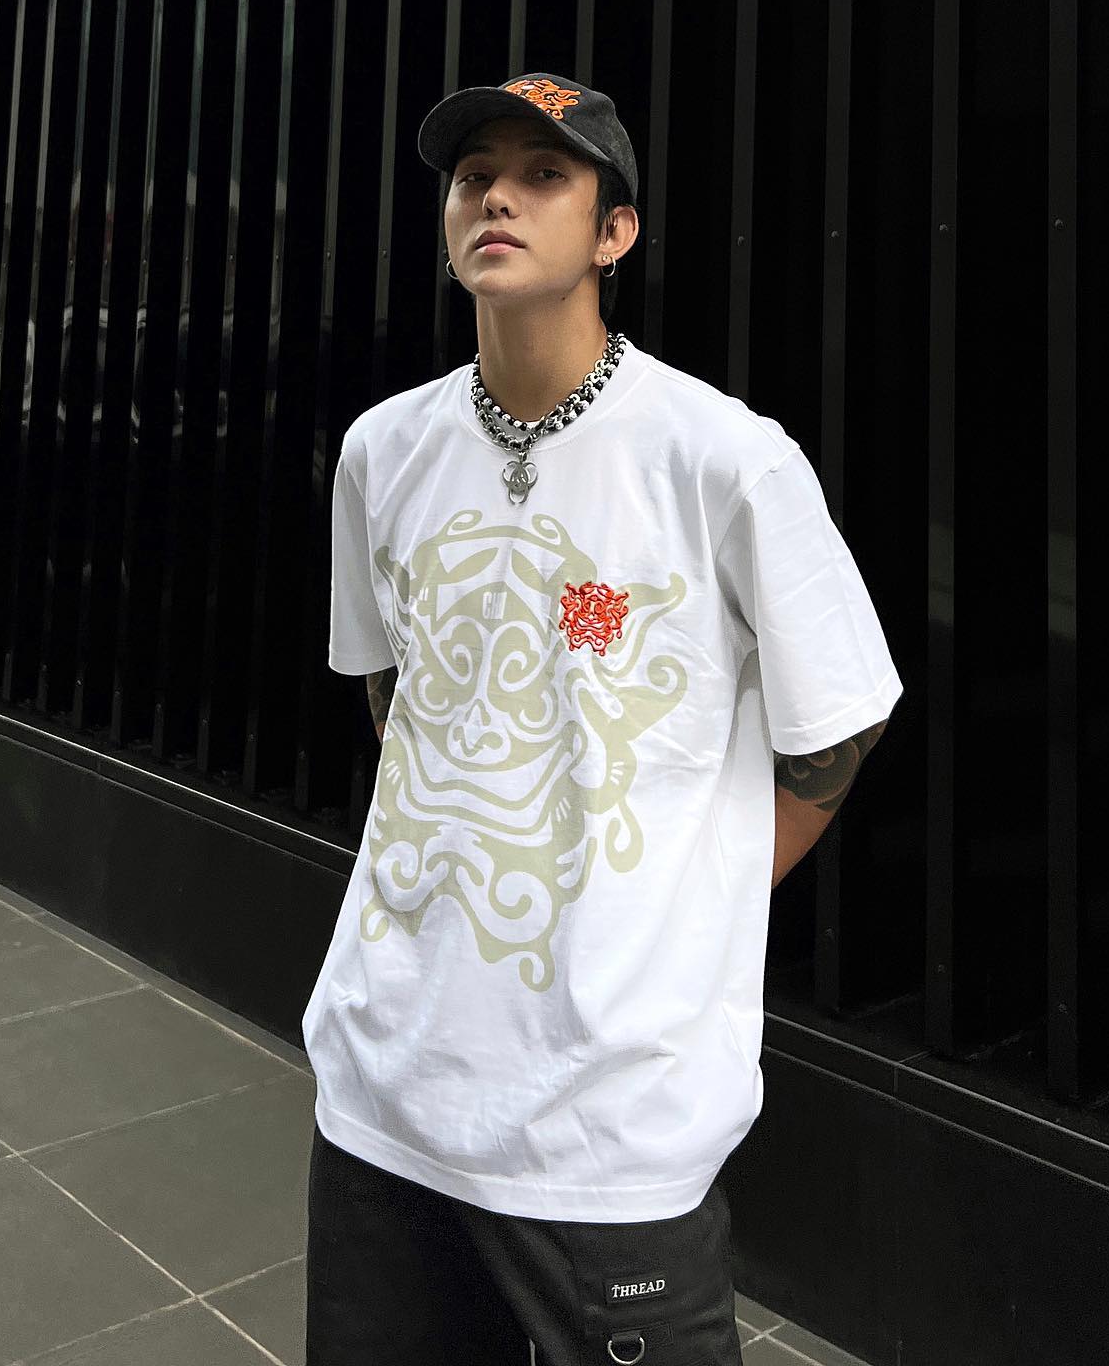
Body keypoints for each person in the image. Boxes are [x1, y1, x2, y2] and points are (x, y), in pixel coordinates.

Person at [301, 71, 904, 1365]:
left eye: (543, 175)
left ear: (614, 231)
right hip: (383, 1077)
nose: (496, 198)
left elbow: (837, 729)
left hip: (608, 1120)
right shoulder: (381, 450)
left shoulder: (724, 457)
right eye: (473, 178)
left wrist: (691, 893)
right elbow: (393, 692)